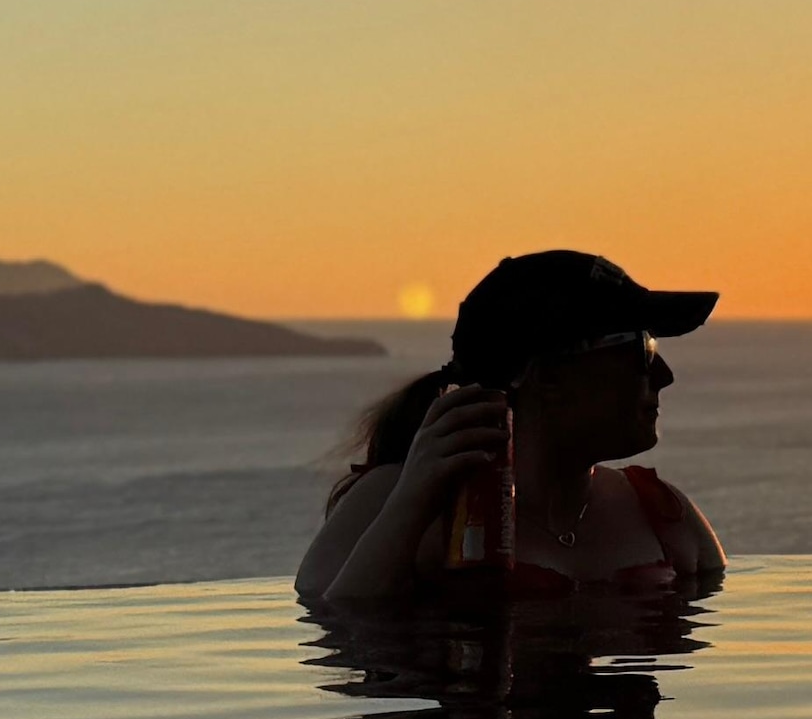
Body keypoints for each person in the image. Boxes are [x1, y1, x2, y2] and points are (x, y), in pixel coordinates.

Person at [302, 251, 729, 609]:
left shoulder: (666, 517)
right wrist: (411, 504)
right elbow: (334, 624)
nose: (665, 375)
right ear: (546, 376)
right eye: (642, 348)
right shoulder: (389, 500)